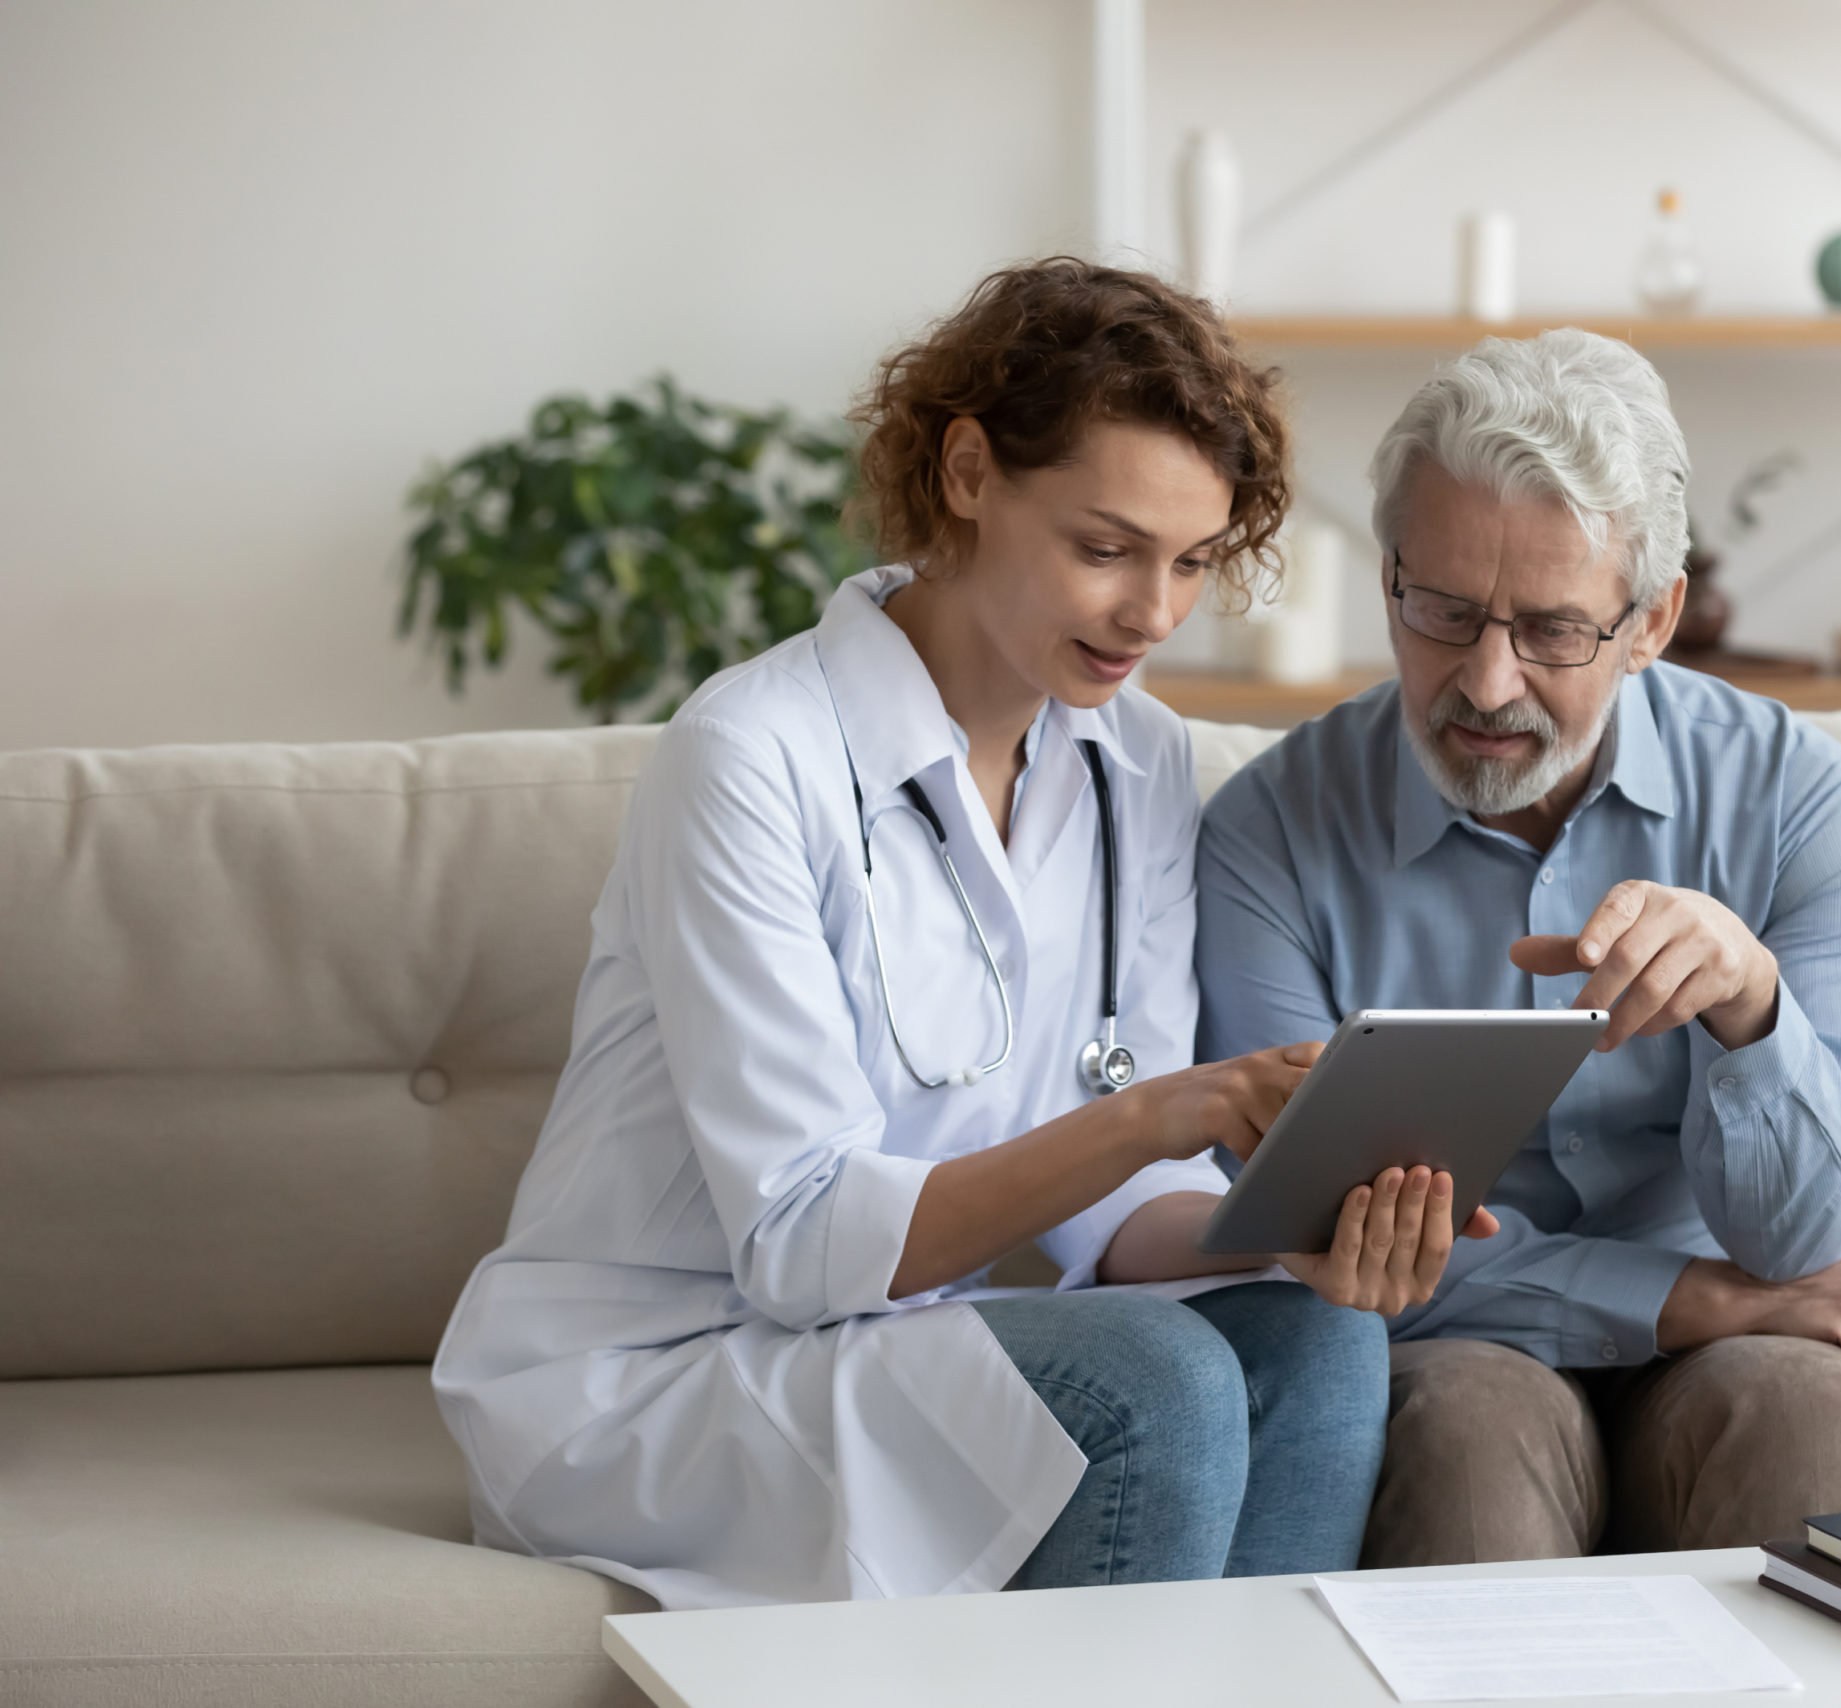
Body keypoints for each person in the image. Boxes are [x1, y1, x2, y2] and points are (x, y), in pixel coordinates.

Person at [434, 259, 1487, 1610]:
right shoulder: (750, 757)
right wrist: (1171, 1110)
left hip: (899, 1344)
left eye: (1191, 563)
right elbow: (807, 1247)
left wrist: (1292, 1232)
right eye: (1105, 548)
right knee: (1149, 1383)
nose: (1151, 616)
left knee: (1319, 1346)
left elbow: (1108, 1220)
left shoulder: (1141, 762)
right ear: (971, 471)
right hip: (664, 1368)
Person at [1196, 329, 1841, 1568]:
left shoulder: (1797, 798)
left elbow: (1807, 1237)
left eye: (1553, 630)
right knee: (1465, 1436)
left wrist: (1752, 1007)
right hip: (1454, 1349)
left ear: (1651, 618)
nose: (1485, 682)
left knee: (1800, 1402)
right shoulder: (1267, 834)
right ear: (1389, 574)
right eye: (1442, 610)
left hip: (1742, 1342)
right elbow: (1302, 1242)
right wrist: (1691, 1298)